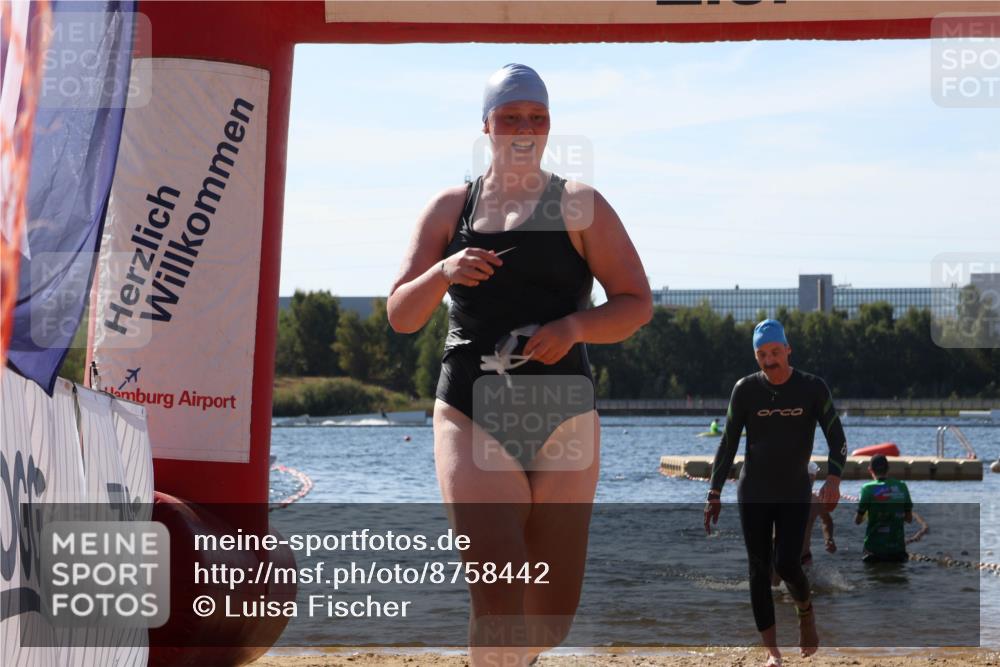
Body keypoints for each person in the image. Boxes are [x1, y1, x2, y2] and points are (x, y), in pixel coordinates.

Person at [387, 63, 652, 666]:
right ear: (486, 125)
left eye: (536, 117)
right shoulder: (450, 207)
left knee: (550, 618)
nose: (524, 128)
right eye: (510, 118)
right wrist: (443, 271)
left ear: (550, 124)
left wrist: (575, 326)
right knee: (500, 591)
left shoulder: (580, 205)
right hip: (471, 408)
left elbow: (637, 304)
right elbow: (401, 315)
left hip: (563, 414)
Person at [704, 319, 847, 667]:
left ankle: (805, 611)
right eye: (762, 354)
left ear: (788, 350)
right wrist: (714, 491)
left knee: (786, 562)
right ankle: (773, 653)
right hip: (753, 489)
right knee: (759, 569)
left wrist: (833, 479)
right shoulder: (745, 390)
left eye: (775, 352)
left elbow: (837, 438)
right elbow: (727, 442)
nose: (769, 360)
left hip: (795, 489)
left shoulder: (813, 388)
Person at [854, 453, 913, 563]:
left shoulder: (867, 488)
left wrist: (867, 511)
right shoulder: (901, 486)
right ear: (888, 469)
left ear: (870, 469)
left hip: (874, 551)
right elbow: (909, 519)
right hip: (897, 550)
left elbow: (857, 521)